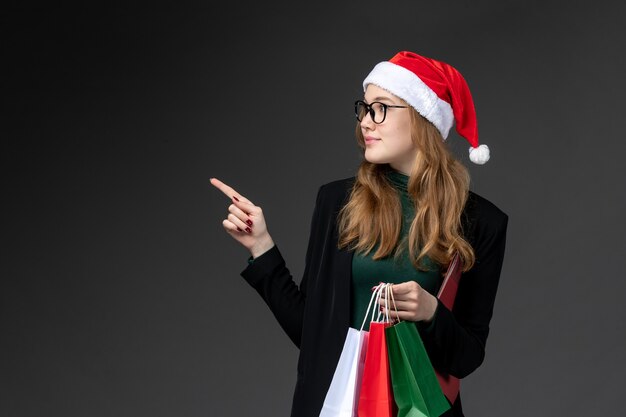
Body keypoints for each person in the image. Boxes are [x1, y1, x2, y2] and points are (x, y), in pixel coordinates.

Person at [210, 50, 508, 417]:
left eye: (380, 108)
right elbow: (312, 334)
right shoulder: (338, 202)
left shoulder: (480, 221)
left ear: (421, 118)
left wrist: (431, 311)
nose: (366, 122)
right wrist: (261, 247)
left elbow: (466, 358)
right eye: (364, 109)